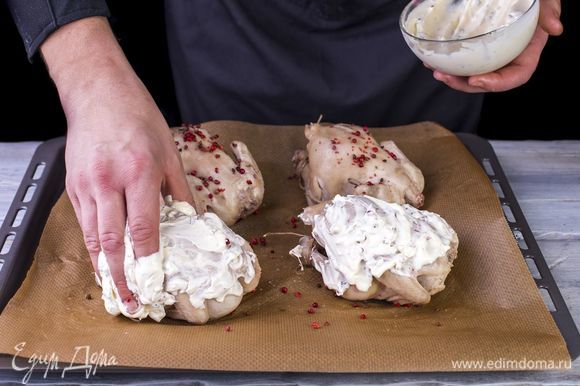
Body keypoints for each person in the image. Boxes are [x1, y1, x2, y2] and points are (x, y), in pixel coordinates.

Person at [6, 0, 562, 312]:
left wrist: (518, 11)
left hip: (432, 30)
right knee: (188, 187)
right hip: (235, 25)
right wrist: (89, 73)